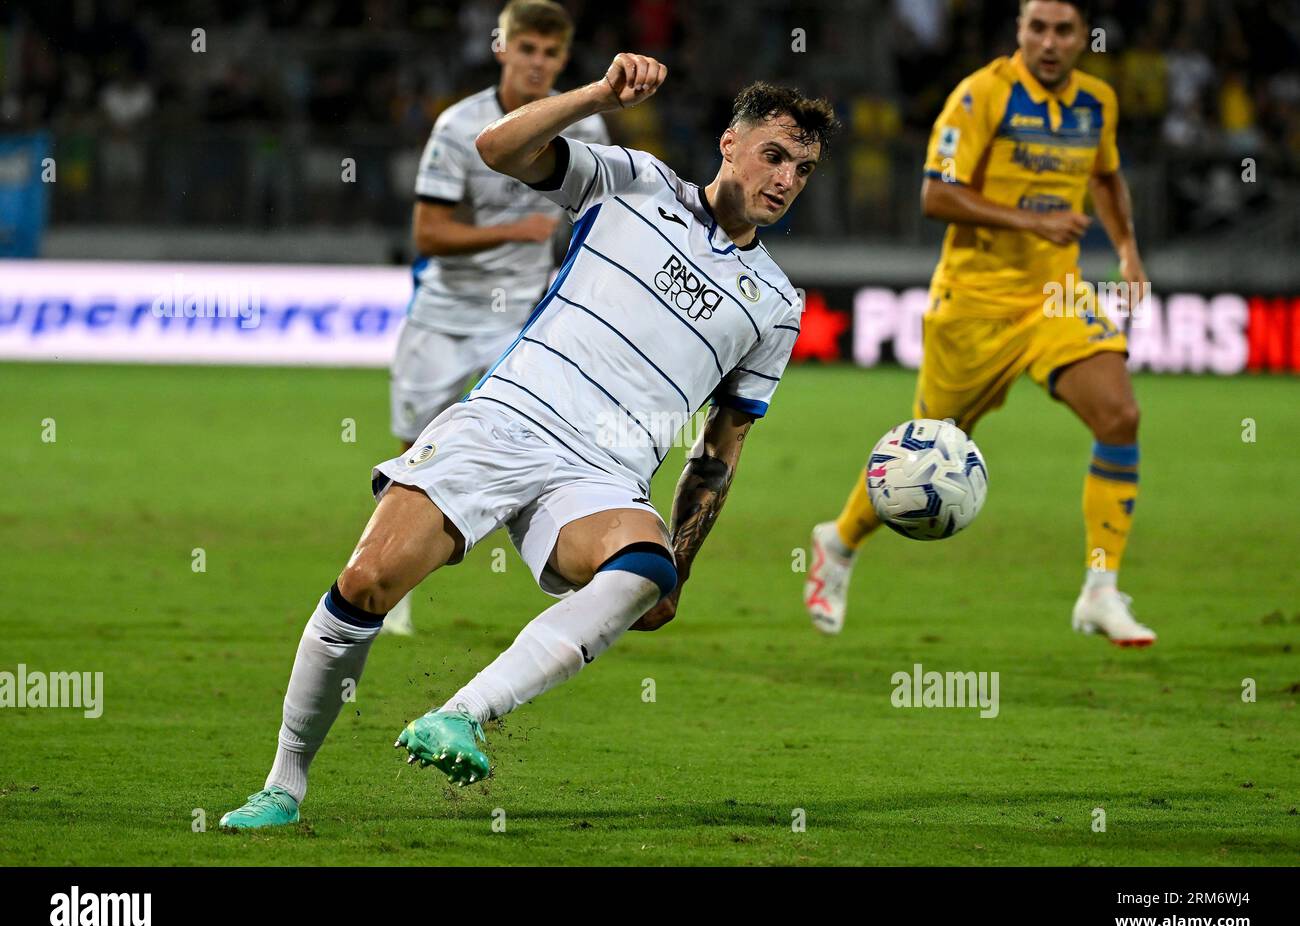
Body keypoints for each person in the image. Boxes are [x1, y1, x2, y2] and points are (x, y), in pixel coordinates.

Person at [219, 53, 837, 828]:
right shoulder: (634, 182)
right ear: (729, 144)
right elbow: (498, 149)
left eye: (803, 169)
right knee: (366, 583)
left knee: (642, 569)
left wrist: (681, 561)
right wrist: (598, 96)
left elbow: (720, 450)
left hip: (602, 474)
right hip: (507, 421)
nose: (785, 179)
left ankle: (463, 715)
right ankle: (284, 783)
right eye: (774, 155)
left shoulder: (777, 305)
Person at [804, 0, 1155, 646]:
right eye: (1037, 28)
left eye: (1063, 30)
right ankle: (840, 539)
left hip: (1054, 293)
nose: (1049, 42)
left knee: (1120, 416)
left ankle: (1100, 591)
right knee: (931, 447)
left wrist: (1129, 251)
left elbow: (1106, 176)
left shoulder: (1097, 103)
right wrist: (1033, 219)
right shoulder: (980, 96)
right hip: (973, 303)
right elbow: (935, 194)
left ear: (1085, 38)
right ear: (1018, 30)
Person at [385, 0, 608, 636]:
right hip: (444, 313)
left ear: (564, 58)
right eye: (527, 49)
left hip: (524, 321)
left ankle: (569, 572)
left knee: (547, 444)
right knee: (417, 451)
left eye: (551, 53)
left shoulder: (586, 128)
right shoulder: (458, 126)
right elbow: (428, 233)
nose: (538, 63)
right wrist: (518, 230)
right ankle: (393, 579)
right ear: (500, 48)